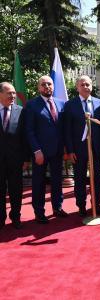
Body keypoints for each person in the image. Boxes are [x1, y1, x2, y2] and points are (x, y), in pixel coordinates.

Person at [25, 76, 66, 224]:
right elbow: (29, 131)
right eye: (43, 84)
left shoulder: (62, 104)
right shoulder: (31, 105)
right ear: (39, 87)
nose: (47, 86)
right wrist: (36, 151)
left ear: (53, 86)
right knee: (39, 182)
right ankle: (39, 212)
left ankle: (58, 207)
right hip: (40, 153)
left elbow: (64, 128)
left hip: (57, 150)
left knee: (57, 181)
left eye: (49, 84)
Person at [64, 75, 100, 217]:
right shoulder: (70, 105)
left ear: (91, 87)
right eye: (82, 85)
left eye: (88, 84)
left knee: (97, 177)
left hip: (96, 148)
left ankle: (96, 204)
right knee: (80, 178)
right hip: (78, 149)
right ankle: (81, 206)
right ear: (77, 88)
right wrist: (70, 150)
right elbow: (67, 130)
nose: (85, 87)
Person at [0, 82, 28, 229]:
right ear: (0, 94)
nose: (12, 96)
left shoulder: (21, 111)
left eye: (14, 93)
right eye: (9, 93)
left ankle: (16, 217)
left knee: (16, 190)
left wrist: (26, 159)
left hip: (16, 159)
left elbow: (24, 137)